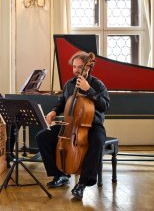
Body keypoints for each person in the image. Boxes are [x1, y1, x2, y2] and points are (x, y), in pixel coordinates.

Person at [35, 51, 110, 200]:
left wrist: (89, 90)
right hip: (71, 125)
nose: (76, 70)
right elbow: (61, 103)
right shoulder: (69, 84)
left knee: (97, 141)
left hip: (93, 124)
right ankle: (60, 175)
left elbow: (105, 106)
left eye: (80, 67)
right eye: (74, 67)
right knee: (42, 137)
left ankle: (82, 183)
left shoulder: (97, 84)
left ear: (88, 68)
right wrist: (52, 113)